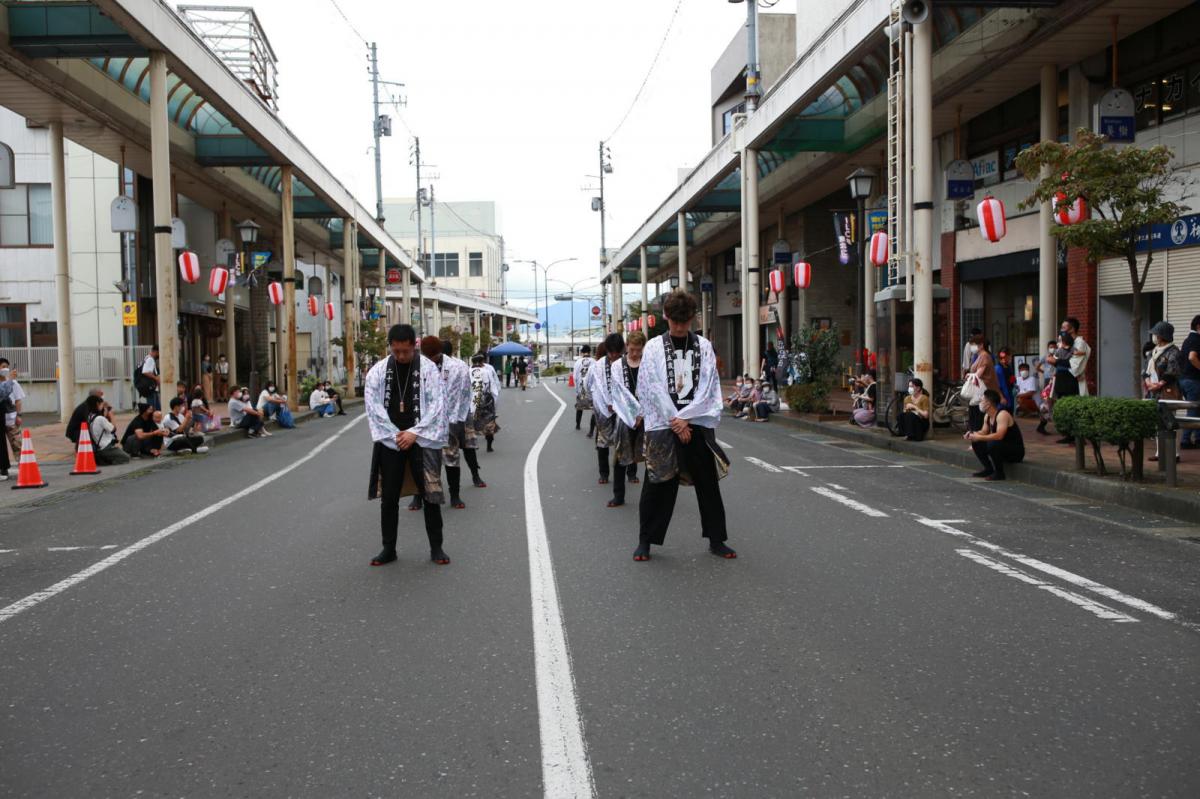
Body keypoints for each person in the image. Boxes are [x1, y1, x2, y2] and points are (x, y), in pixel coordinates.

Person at [635, 290, 734, 562]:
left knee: (708, 483)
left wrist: (686, 418)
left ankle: (717, 539)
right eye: (675, 321)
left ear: (693, 318)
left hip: (696, 423)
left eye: (685, 321)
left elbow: (709, 387)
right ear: (666, 317)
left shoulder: (703, 346)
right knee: (657, 483)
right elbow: (650, 386)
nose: (679, 327)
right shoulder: (654, 346)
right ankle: (645, 540)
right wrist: (675, 421)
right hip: (663, 425)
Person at [365, 324, 449, 567]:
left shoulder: (429, 369)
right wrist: (396, 435)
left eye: (405, 351)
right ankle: (388, 548)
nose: (401, 356)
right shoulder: (378, 372)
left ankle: (436, 546)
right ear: (390, 347)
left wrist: (414, 432)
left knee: (430, 494)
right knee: (389, 497)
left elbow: (437, 404)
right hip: (391, 441)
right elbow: (373, 408)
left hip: (421, 439)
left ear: (415, 345)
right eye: (396, 351)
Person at [608, 331, 645, 508]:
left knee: (652, 456)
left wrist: (641, 414)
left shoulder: (648, 364)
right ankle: (618, 495)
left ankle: (651, 497)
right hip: (625, 416)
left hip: (646, 416)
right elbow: (617, 394)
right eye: (632, 349)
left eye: (639, 350)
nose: (636, 353)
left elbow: (652, 391)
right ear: (627, 347)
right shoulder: (617, 366)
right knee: (620, 456)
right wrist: (631, 414)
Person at [966, 389, 1025, 481]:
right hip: (1001, 448)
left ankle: (999, 473)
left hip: (1015, 452)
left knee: (992, 443)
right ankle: (988, 469)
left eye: (982, 400)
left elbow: (999, 435)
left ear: (988, 403)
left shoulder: (1002, 415)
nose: (980, 402)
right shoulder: (987, 416)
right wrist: (973, 434)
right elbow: (983, 431)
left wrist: (979, 437)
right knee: (977, 442)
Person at [1145, 321, 1183, 463]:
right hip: (1153, 391)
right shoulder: (1154, 351)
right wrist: (1149, 383)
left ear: (1162, 335)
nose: (1154, 336)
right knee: (1157, 421)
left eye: (1155, 334)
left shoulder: (1174, 351)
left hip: (1168, 390)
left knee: (1170, 420)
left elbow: (1173, 372)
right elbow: (1146, 371)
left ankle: (1174, 453)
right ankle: (1159, 451)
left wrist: (1159, 384)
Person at [590, 338, 624, 486]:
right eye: (612, 353)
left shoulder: (625, 362)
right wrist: (607, 402)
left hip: (623, 408)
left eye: (618, 353)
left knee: (625, 440)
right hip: (603, 408)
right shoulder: (598, 365)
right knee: (603, 441)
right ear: (607, 351)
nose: (615, 356)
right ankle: (603, 473)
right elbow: (595, 384)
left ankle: (630, 473)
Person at [1048, 331, 1080, 443]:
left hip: (1070, 380)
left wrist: (1057, 362)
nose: (1058, 342)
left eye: (1060, 339)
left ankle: (1075, 434)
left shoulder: (1073, 350)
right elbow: (1051, 360)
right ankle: (1068, 434)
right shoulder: (1059, 350)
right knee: (1062, 405)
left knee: (1071, 406)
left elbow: (1071, 363)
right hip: (1061, 380)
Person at [964, 333, 999, 433]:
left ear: (981, 345)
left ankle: (978, 440)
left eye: (973, 344)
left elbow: (978, 374)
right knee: (976, 417)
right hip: (979, 392)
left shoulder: (984, 356)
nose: (971, 347)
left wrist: (969, 375)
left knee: (979, 418)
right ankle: (976, 439)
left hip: (983, 392)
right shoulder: (979, 356)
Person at [470, 352, 501, 452]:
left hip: (471, 403)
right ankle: (489, 445)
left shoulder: (467, 371)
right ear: (482, 361)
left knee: (471, 426)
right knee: (489, 425)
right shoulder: (486, 371)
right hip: (486, 403)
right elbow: (493, 390)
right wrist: (495, 406)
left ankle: (472, 444)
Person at [88, 396, 130, 465]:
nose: (103, 407)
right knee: (126, 458)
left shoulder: (90, 416)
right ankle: (107, 460)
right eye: (102, 405)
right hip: (106, 448)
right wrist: (111, 415)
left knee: (119, 451)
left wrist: (104, 414)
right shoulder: (100, 418)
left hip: (98, 447)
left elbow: (100, 425)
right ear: (97, 404)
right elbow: (113, 429)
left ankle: (105, 458)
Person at [1179, 315, 1200, 450]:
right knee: (1193, 410)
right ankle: (1185, 440)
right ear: (1198, 327)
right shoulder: (1196, 339)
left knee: (1196, 409)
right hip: (1193, 381)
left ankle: (1198, 439)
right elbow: (1192, 357)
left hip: (1184, 380)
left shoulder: (1187, 340)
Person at [0, 360, 24, 458]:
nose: (5, 369)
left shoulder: (14, 383)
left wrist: (18, 415)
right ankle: (3, 468)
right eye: (2, 366)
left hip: (11, 420)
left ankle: (23, 466)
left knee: (17, 445)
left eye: (6, 366)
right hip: (1, 419)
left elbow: (18, 400)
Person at [1062, 317, 1091, 396]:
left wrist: (1059, 362)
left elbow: (1075, 364)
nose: (1062, 330)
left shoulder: (1080, 343)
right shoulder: (1065, 343)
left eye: (1064, 328)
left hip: (1075, 380)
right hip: (1064, 379)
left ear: (1072, 329)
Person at [573, 345, 595, 431]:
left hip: (581, 389)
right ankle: (591, 430)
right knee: (594, 410)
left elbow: (575, 377)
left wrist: (576, 390)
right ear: (590, 352)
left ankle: (578, 425)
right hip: (591, 390)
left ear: (582, 352)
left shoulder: (578, 362)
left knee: (580, 407)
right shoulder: (594, 361)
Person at [138, 344, 161, 410]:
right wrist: (156, 378)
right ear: (155, 352)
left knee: (156, 409)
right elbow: (145, 371)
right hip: (151, 388)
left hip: (150, 388)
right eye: (158, 353)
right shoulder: (150, 359)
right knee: (154, 409)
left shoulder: (147, 358)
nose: (159, 355)